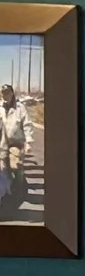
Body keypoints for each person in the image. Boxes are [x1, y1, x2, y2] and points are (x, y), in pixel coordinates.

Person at [0, 86, 27, 214]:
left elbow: (27, 125)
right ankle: (8, 196)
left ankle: (20, 188)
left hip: (15, 142)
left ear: (12, 93)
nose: (5, 96)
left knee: (16, 167)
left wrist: (29, 142)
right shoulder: (0, 107)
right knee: (4, 171)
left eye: (7, 93)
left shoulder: (20, 108)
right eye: (3, 94)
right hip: (3, 142)